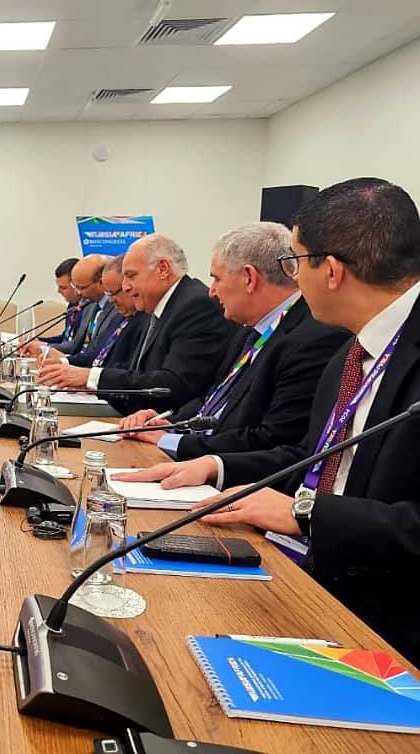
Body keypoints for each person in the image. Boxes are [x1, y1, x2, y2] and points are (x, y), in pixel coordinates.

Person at [116, 178, 420, 665]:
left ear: (332, 270)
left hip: (387, 623)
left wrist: (306, 514)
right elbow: (310, 455)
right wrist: (215, 466)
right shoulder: (352, 350)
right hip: (310, 577)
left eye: (295, 262)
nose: (292, 280)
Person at [117, 223, 348, 459]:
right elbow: (213, 399)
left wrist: (171, 441)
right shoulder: (249, 331)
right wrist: (167, 423)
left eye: (216, 279)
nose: (211, 292)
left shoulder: (311, 340)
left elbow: (271, 440)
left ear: (249, 278)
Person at [39, 234, 239, 413]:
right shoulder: (158, 306)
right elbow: (137, 372)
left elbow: (173, 384)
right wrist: (90, 383)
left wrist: (92, 378)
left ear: (163, 269)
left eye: (131, 276)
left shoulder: (195, 306)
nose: (126, 287)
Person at [47, 255, 148, 369]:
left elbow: (126, 370)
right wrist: (62, 362)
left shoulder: (141, 319)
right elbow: (93, 354)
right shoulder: (116, 316)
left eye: (113, 293)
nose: (111, 299)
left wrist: (89, 376)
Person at [24, 255, 109, 357]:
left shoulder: (108, 309)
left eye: (81, 287)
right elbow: (72, 342)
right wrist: (40, 343)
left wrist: (45, 348)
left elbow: (82, 350)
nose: (79, 292)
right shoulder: (87, 306)